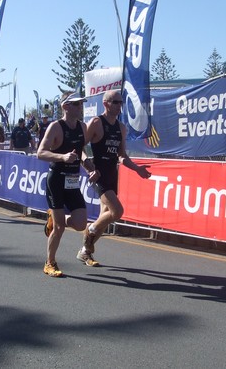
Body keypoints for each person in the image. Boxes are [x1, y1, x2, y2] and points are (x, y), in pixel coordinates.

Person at [77, 89, 152, 266]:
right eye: (116, 102)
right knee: (117, 212)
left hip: (112, 173)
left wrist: (137, 169)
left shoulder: (121, 128)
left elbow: (122, 155)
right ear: (106, 104)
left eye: (121, 103)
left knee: (105, 215)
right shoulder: (96, 123)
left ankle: (85, 252)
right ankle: (90, 229)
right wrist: (88, 167)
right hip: (98, 174)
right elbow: (79, 148)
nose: (120, 106)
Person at [37, 92, 96, 277]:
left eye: (81, 104)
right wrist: (62, 157)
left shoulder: (82, 127)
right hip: (56, 179)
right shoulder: (56, 127)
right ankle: (50, 263)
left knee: (80, 224)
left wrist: (88, 167)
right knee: (60, 228)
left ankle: (54, 220)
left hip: (72, 180)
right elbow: (40, 153)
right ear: (66, 106)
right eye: (77, 104)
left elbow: (81, 152)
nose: (81, 108)